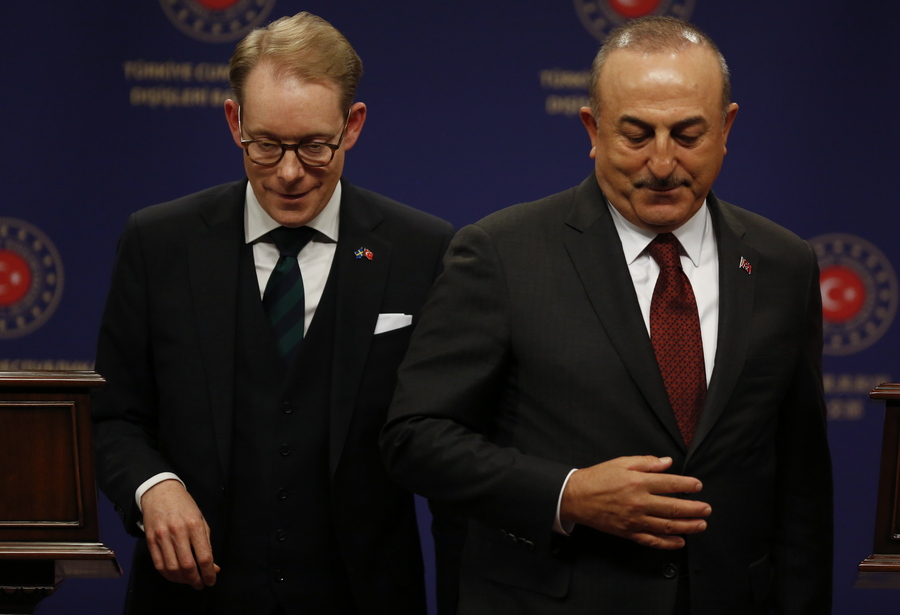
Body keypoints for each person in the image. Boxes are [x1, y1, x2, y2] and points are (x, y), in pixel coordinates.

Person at [381, 15, 832, 615]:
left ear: (727, 128)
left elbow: (801, 488)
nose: (663, 163)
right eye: (636, 135)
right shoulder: (502, 253)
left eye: (688, 135)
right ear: (593, 129)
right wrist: (568, 494)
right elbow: (415, 438)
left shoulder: (783, 264)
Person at [92, 11, 455, 615]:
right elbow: (113, 416)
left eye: (314, 146)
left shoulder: (425, 250)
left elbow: (451, 439)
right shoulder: (159, 243)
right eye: (265, 145)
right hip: (191, 601)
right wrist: (153, 488)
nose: (289, 173)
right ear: (234, 121)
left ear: (352, 126)